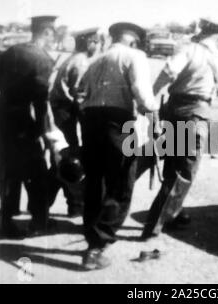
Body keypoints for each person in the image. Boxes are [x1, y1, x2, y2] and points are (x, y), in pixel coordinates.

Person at [77, 22, 158, 270]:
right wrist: (154, 119)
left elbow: (79, 92)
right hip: (118, 121)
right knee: (121, 181)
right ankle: (97, 247)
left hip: (91, 120)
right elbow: (142, 92)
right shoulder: (135, 55)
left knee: (95, 181)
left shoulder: (94, 60)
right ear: (133, 40)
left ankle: (92, 237)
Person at [141, 18, 218, 239]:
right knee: (184, 171)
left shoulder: (190, 50)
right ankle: (155, 224)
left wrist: (151, 97)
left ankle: (172, 212)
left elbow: (168, 72)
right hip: (196, 112)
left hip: (174, 108)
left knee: (170, 161)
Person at [0, 15, 68, 238]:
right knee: (36, 171)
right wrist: (43, 132)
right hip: (23, 120)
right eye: (53, 35)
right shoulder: (43, 59)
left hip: (1, 117)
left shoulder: (11, 51)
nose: (53, 40)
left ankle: (7, 219)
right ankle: (40, 221)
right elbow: (41, 100)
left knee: (6, 169)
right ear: (46, 32)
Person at [47, 28, 103, 217]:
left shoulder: (75, 58)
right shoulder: (80, 62)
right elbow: (79, 95)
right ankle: (61, 204)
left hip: (64, 110)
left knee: (66, 160)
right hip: (65, 111)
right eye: (97, 42)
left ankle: (73, 204)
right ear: (90, 43)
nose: (99, 46)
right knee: (67, 161)